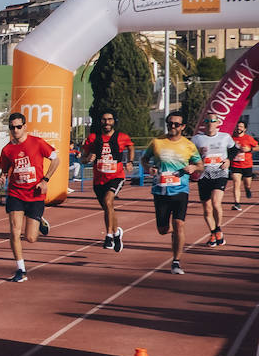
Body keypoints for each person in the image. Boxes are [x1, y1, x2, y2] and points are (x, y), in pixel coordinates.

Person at [141, 113, 203, 275]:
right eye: (170, 123)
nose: (172, 127)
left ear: (183, 127)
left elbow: (200, 165)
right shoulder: (157, 142)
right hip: (160, 190)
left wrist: (194, 168)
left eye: (176, 124)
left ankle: (176, 261)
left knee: (179, 225)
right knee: (162, 229)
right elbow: (144, 159)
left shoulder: (189, 145)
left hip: (180, 190)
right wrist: (149, 168)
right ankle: (174, 234)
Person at [0, 112, 57, 283]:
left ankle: (40, 222)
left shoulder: (37, 143)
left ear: (25, 127)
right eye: (12, 127)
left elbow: (56, 159)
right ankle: (21, 270)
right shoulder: (7, 149)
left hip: (35, 193)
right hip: (16, 193)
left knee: (30, 238)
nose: (15, 130)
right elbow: (6, 168)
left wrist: (45, 179)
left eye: (18, 126)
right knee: (14, 231)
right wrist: (3, 176)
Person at [82, 110, 133, 251]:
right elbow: (83, 157)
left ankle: (109, 236)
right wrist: (87, 159)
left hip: (116, 176)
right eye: (104, 120)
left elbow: (131, 146)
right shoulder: (93, 138)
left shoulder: (121, 137)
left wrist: (130, 161)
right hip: (99, 179)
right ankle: (117, 233)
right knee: (107, 208)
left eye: (109, 119)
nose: (107, 122)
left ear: (114, 121)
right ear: (100, 122)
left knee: (108, 201)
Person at [192, 114, 233, 247]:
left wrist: (228, 160)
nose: (210, 123)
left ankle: (218, 229)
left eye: (213, 121)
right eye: (207, 121)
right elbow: (190, 155)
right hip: (204, 175)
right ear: (204, 123)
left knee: (216, 202)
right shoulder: (197, 139)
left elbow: (234, 149)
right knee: (207, 209)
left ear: (218, 123)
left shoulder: (225, 137)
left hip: (220, 172)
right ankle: (213, 232)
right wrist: (196, 160)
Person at [229, 119, 259, 209]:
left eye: (241, 127)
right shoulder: (231, 138)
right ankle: (237, 203)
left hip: (247, 165)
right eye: (238, 126)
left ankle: (247, 189)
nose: (239, 128)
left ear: (245, 129)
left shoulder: (248, 138)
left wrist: (249, 149)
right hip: (235, 165)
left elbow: (258, 147)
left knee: (247, 183)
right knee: (236, 183)